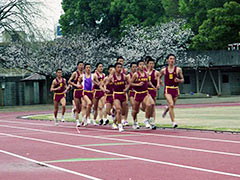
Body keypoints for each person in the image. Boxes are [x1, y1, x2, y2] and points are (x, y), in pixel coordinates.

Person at [160, 54, 184, 128]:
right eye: (170, 59)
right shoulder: (164, 70)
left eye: (173, 59)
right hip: (168, 89)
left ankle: (166, 109)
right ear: (167, 60)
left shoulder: (178, 69)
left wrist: (179, 80)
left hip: (175, 89)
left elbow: (183, 80)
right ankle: (173, 122)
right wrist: (160, 83)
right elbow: (159, 77)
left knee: (171, 105)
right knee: (171, 104)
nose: (172, 60)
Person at [130, 60, 155, 129]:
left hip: (145, 93)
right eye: (140, 64)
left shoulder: (146, 74)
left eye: (143, 64)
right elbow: (130, 83)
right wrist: (137, 84)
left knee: (151, 104)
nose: (142, 66)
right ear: (138, 66)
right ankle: (135, 122)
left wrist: (153, 86)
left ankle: (146, 119)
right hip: (138, 94)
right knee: (135, 111)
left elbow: (149, 82)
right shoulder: (135, 74)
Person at [108, 63, 129, 132]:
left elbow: (129, 83)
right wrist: (105, 89)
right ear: (115, 68)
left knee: (123, 111)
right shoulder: (112, 77)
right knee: (118, 110)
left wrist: (126, 89)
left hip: (123, 94)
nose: (119, 69)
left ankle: (114, 121)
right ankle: (120, 125)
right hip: (116, 94)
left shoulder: (125, 76)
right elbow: (105, 84)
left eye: (120, 67)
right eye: (118, 67)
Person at [68, 61, 84, 127]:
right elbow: (69, 81)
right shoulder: (75, 73)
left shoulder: (84, 73)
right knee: (78, 108)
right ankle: (77, 121)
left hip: (83, 91)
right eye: (80, 65)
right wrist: (75, 85)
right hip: (76, 91)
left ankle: (84, 119)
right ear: (77, 66)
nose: (81, 66)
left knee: (83, 106)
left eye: (82, 65)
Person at [147, 57, 160, 127]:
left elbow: (158, 80)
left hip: (153, 90)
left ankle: (152, 121)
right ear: (147, 64)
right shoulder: (145, 72)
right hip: (147, 90)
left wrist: (157, 85)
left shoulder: (156, 72)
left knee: (153, 106)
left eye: (152, 63)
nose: (151, 65)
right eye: (150, 63)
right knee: (148, 105)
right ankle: (148, 118)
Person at [116, 56, 129, 126]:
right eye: (120, 61)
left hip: (123, 91)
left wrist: (126, 88)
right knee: (118, 108)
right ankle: (118, 120)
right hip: (115, 92)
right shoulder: (113, 71)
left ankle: (124, 119)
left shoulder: (125, 71)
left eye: (122, 61)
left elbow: (128, 82)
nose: (121, 62)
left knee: (126, 104)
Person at [127, 62, 138, 128]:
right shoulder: (128, 76)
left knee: (137, 109)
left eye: (135, 67)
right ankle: (135, 122)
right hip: (132, 92)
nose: (134, 68)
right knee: (134, 105)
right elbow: (130, 83)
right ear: (131, 68)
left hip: (139, 93)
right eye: (133, 67)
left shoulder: (138, 74)